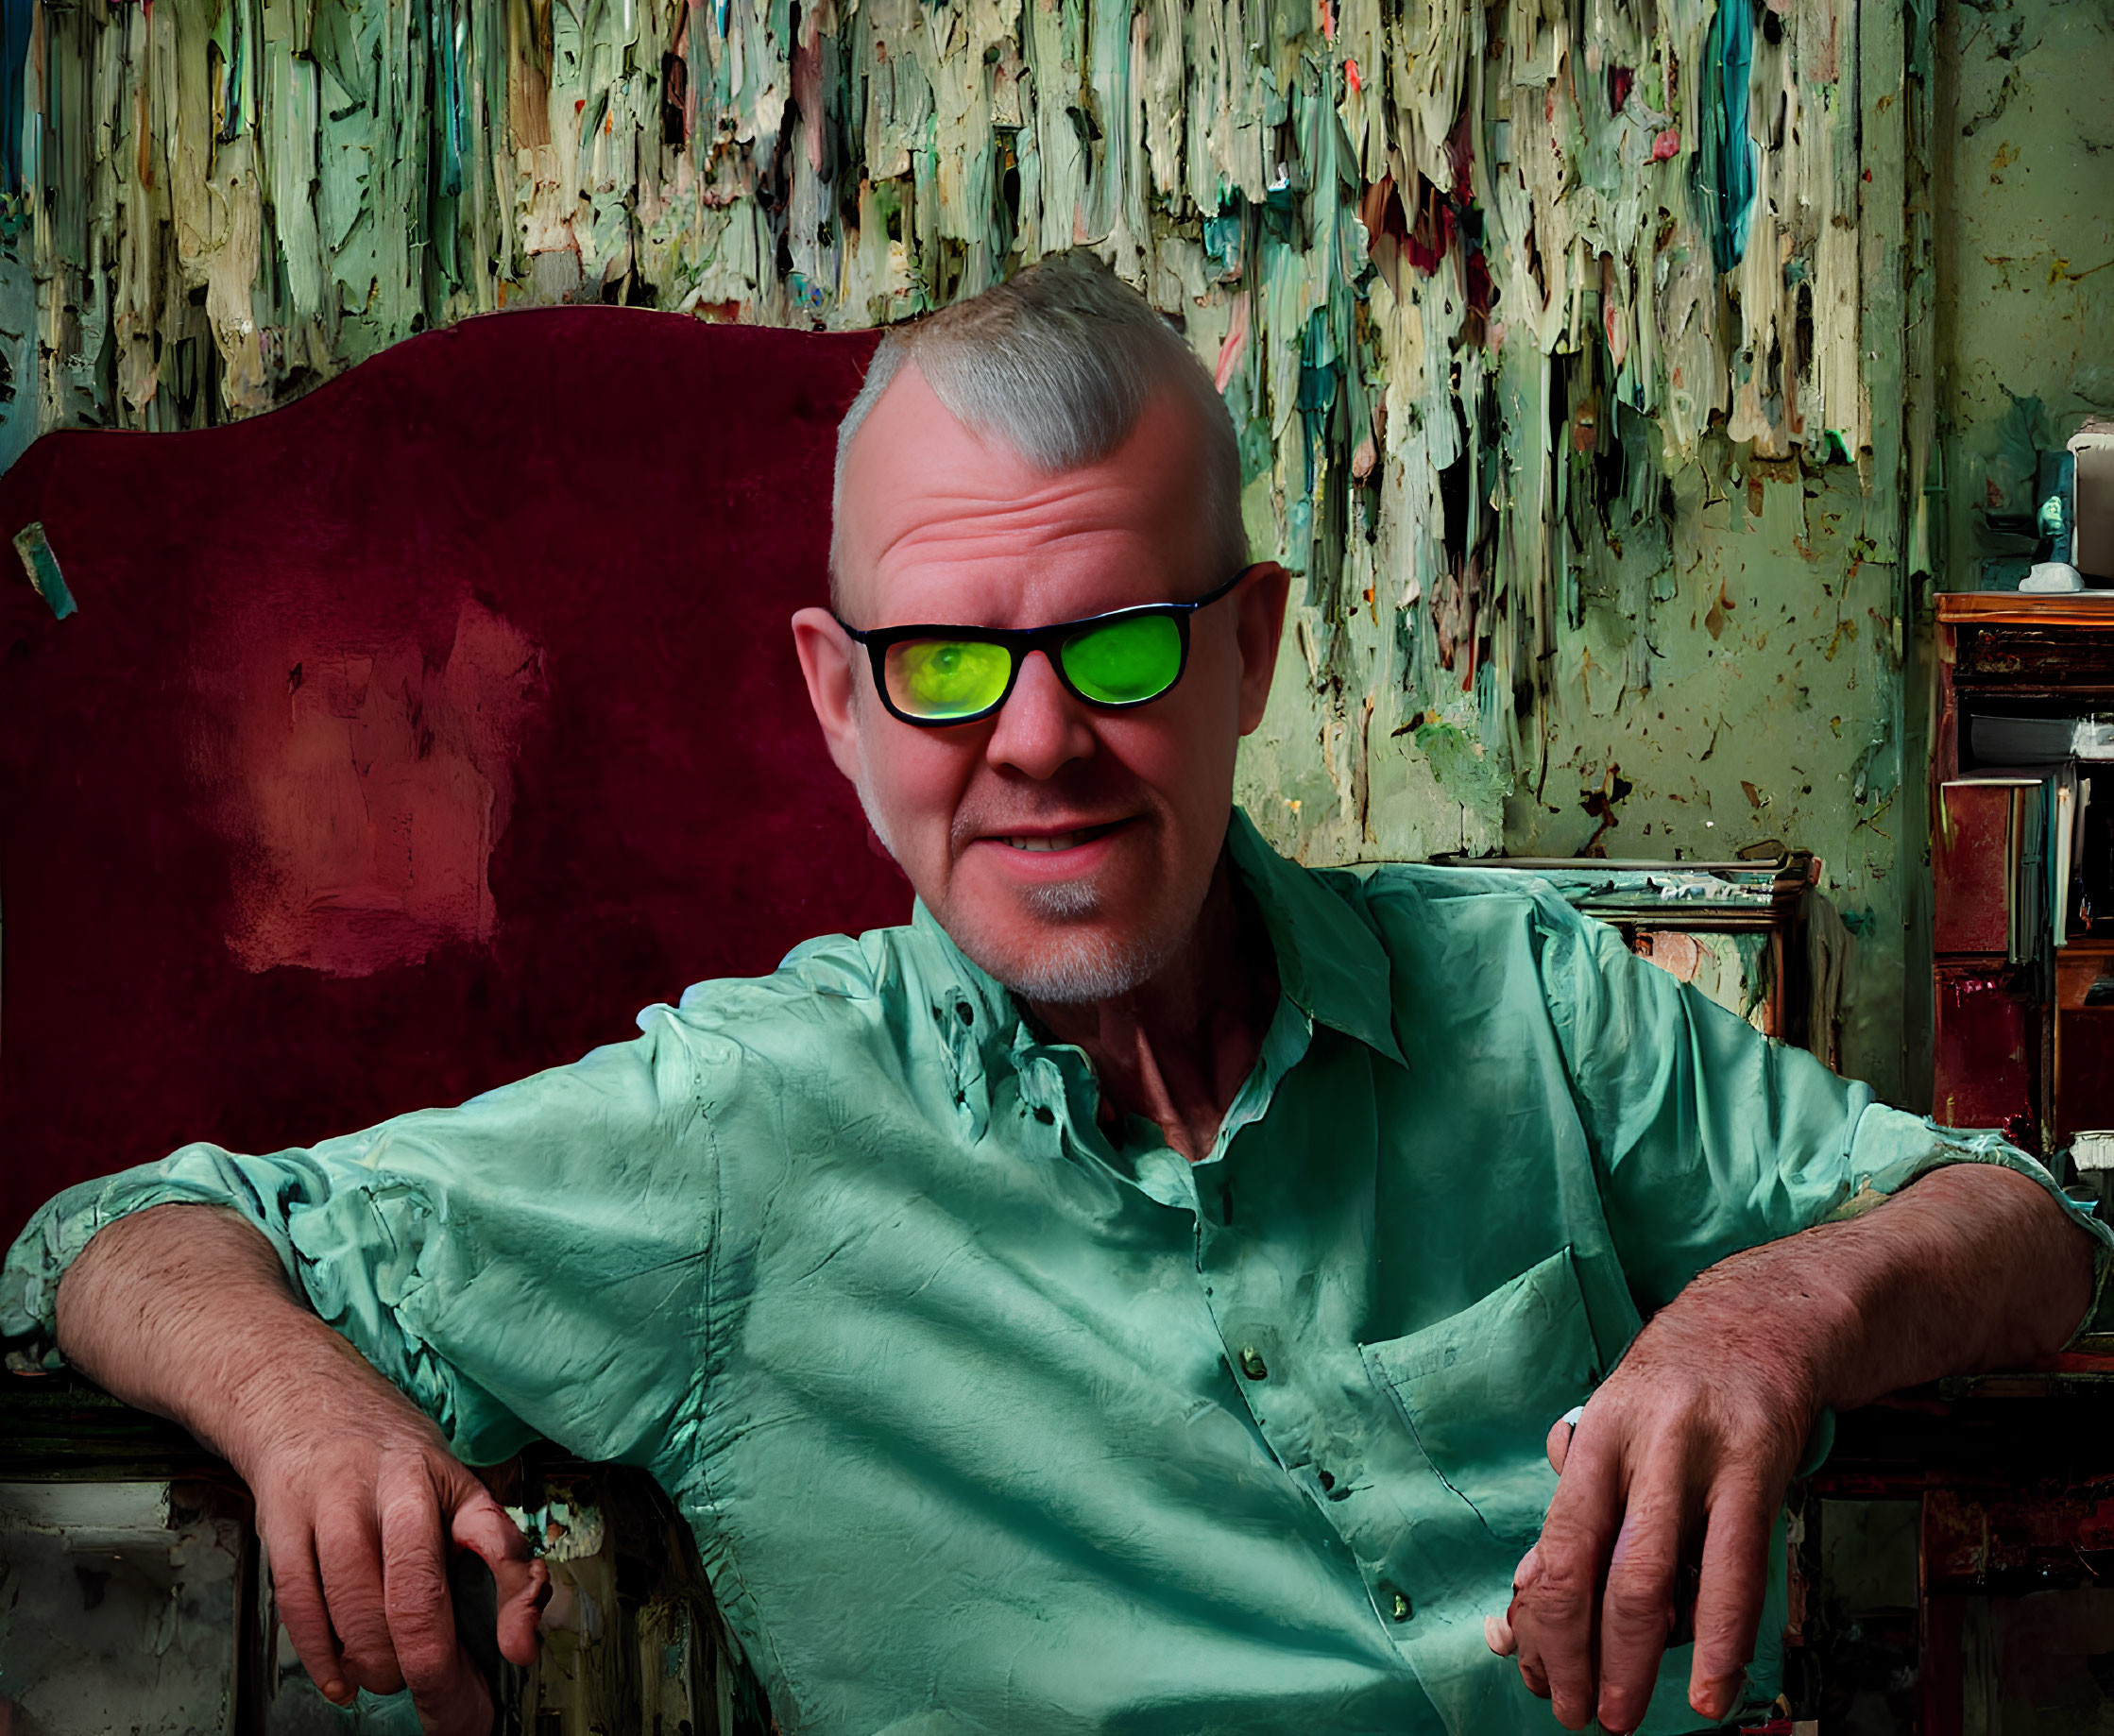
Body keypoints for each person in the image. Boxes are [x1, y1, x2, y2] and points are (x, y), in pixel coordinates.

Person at [4, 253, 2103, 1736]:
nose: (1033, 743)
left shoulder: (1531, 1009)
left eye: (1114, 643)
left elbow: (2036, 1231)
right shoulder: (746, 1135)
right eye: (942, 661)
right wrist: (298, 1403)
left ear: (1249, 654)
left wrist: (1770, 1313)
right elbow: (114, 1241)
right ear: (839, 701)